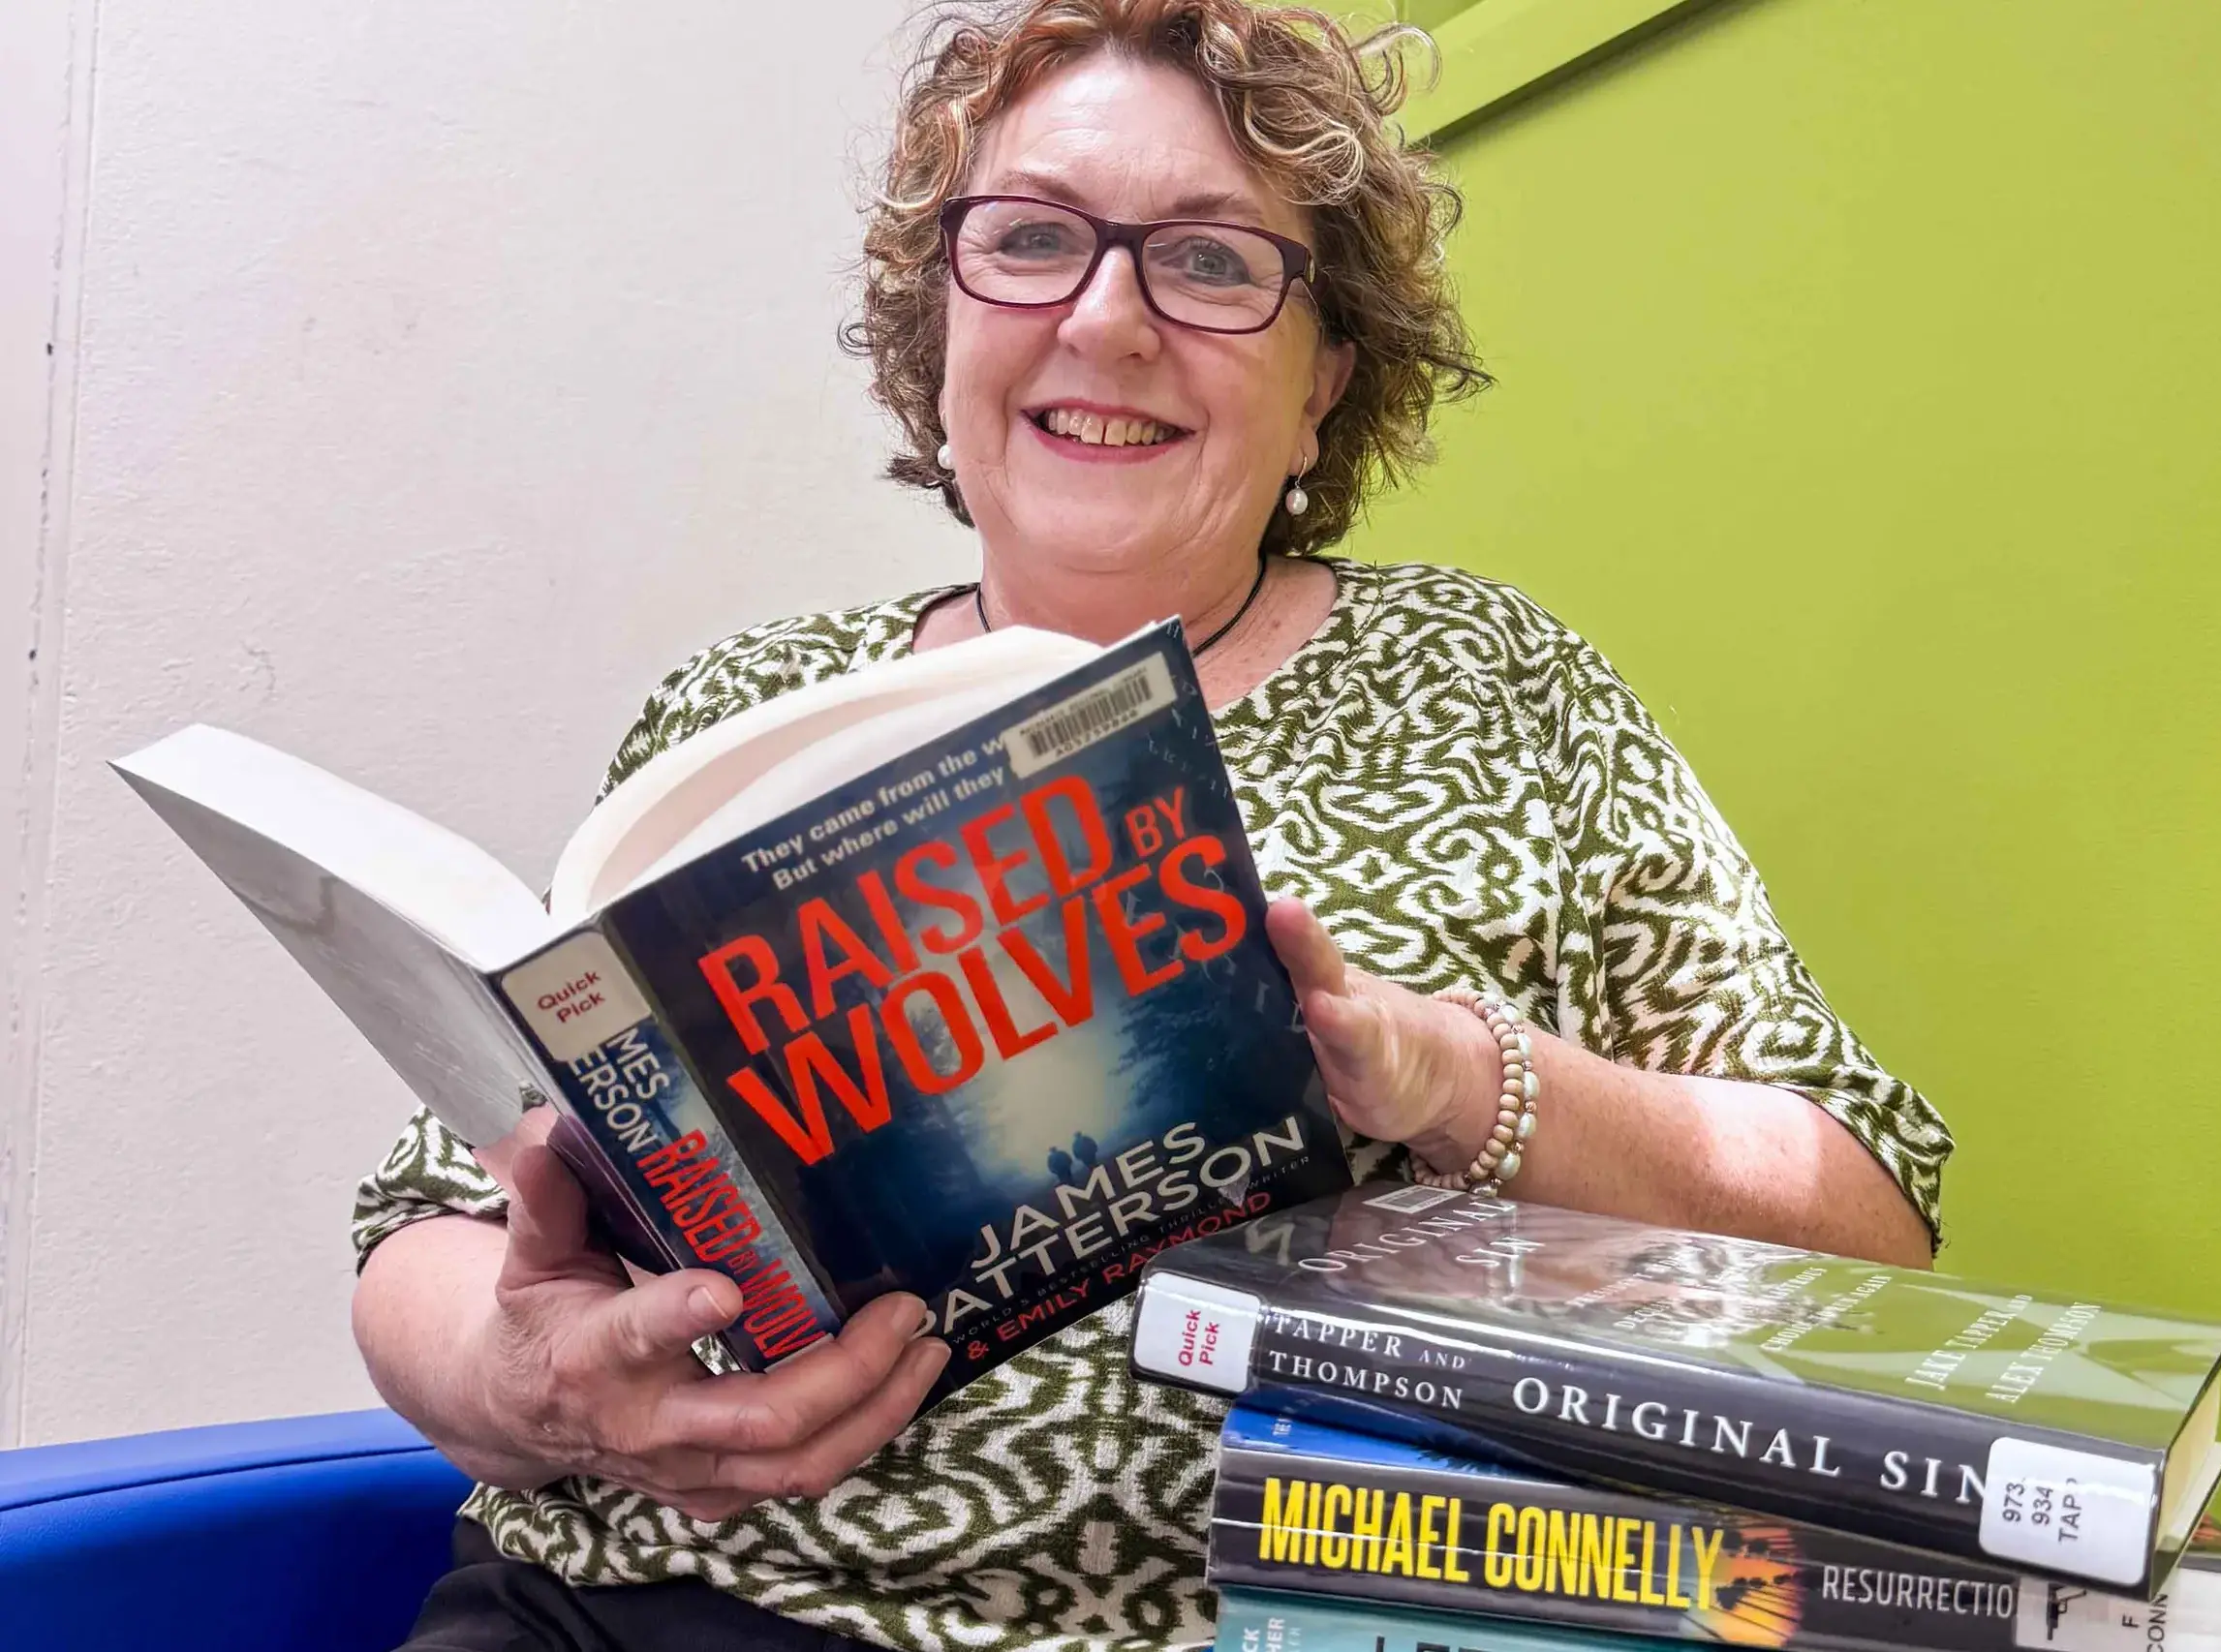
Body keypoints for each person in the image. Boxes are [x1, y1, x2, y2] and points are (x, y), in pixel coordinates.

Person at [353, 3, 1953, 1648]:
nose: (1105, 319)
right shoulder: (745, 717)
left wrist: (1457, 1079)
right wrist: (532, 1380)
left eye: (1207, 261)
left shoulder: (1497, 680)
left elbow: (1868, 1233)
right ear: (939, 326)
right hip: (649, 1607)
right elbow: (427, 1228)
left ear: (1324, 381)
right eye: (1031, 239)